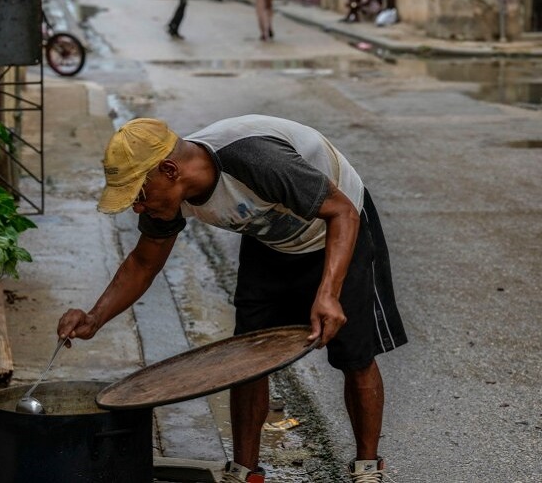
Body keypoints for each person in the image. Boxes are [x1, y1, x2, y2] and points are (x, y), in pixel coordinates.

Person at [57, 116, 407, 483]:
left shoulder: (254, 160)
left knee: (355, 354)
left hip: (338, 229)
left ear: (170, 170)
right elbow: (144, 262)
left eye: (139, 195)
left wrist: (328, 293)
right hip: (270, 239)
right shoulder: (169, 196)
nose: (137, 208)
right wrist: (95, 317)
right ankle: (245, 471)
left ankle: (367, 467)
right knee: (247, 355)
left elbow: (342, 213)